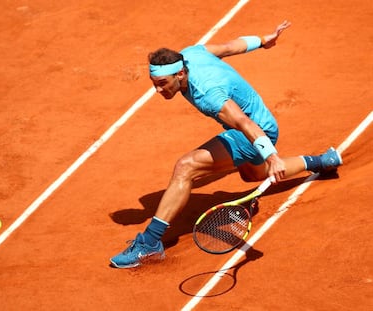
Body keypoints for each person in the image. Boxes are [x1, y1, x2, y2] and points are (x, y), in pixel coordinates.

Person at [110, 20, 342, 268]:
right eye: (154, 82)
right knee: (254, 174)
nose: (157, 90)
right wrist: (264, 40)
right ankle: (322, 161)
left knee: (186, 167)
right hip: (260, 124)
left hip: (255, 131)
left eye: (162, 83)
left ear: (180, 74)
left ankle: (149, 244)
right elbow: (230, 47)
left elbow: (243, 122)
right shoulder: (190, 54)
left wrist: (272, 156)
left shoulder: (209, 94)